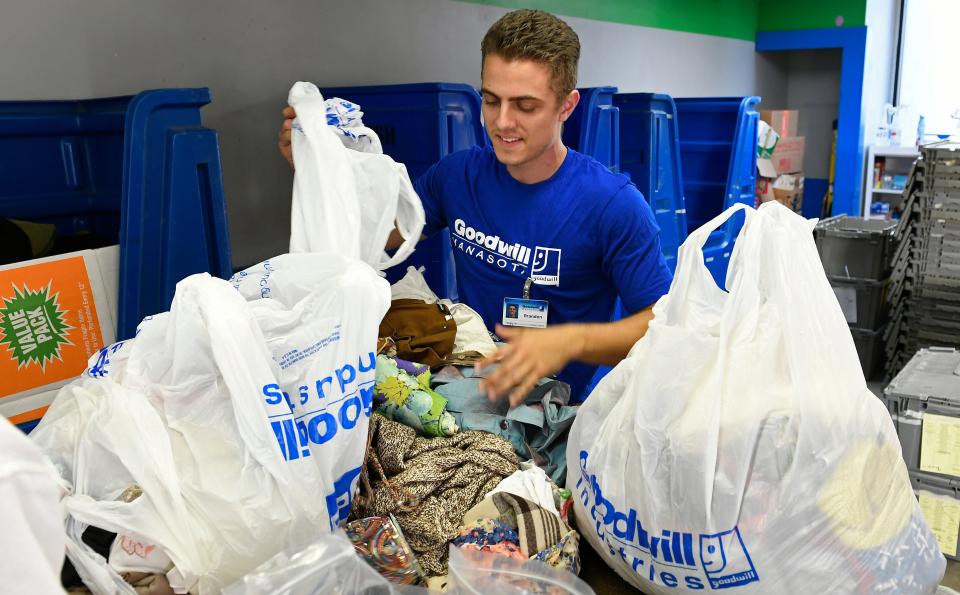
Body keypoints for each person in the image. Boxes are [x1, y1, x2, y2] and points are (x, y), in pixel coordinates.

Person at [278, 9, 672, 405]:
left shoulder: (613, 205)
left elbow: (664, 324)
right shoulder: (457, 176)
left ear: (566, 107)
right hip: (469, 382)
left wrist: (571, 341)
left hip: (563, 411)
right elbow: (379, 237)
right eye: (491, 100)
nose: (502, 122)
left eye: (525, 106)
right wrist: (321, 172)